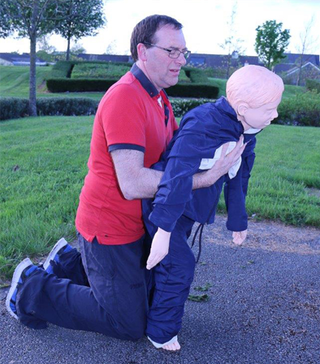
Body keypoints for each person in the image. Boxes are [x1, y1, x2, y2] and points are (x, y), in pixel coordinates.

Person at [6, 15, 243, 347]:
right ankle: (31, 288)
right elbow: (132, 183)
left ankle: (67, 263)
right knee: (129, 322)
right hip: (110, 228)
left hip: (138, 223)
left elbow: (175, 159)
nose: (182, 61)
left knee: (150, 292)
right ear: (143, 52)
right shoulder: (125, 98)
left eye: (184, 52)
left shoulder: (158, 98)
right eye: (172, 51)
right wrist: (202, 180)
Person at [142, 65, 284, 350]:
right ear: (243, 107)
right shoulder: (204, 124)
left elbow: (239, 176)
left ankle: (72, 266)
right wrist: (164, 231)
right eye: (270, 108)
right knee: (178, 265)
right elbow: (177, 173)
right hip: (164, 207)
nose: (275, 115)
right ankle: (160, 333)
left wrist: (238, 221)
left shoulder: (246, 130)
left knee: (164, 263)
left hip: (185, 210)